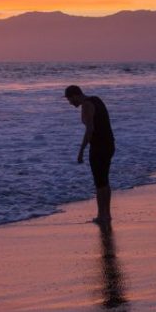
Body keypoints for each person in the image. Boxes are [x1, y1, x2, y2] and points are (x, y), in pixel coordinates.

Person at [65, 85, 115, 224]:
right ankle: (107, 214)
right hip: (109, 144)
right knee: (104, 180)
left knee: (99, 182)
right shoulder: (96, 100)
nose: (70, 103)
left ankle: (101, 215)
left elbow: (90, 130)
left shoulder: (86, 105)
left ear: (75, 95)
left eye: (69, 99)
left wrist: (81, 151)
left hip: (99, 147)